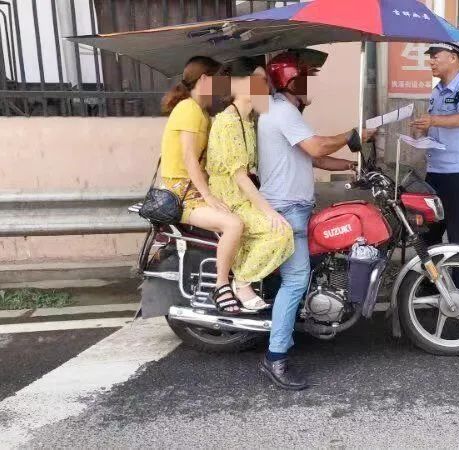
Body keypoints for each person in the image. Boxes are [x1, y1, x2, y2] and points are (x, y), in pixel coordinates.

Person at [256, 49, 376, 391]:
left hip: (294, 206)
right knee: (296, 280)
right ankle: (275, 358)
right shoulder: (282, 111)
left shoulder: (283, 111)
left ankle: (300, 318)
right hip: (287, 209)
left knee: (313, 266)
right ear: (289, 81)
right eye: (304, 78)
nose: (309, 86)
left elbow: (317, 159)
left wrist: (354, 167)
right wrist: (352, 135)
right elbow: (317, 148)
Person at [158, 56, 247, 315]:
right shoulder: (188, 109)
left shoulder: (200, 111)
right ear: (205, 79)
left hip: (193, 190)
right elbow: (189, 158)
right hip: (183, 196)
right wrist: (208, 196)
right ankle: (221, 286)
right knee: (233, 224)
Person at [205, 65, 294, 312]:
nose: (266, 86)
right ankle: (242, 282)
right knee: (280, 232)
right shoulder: (228, 122)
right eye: (259, 80)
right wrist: (269, 212)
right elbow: (241, 177)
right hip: (231, 198)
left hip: (245, 195)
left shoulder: (248, 119)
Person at [410, 42, 459, 252]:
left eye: (435, 56)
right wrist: (420, 130)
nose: (431, 62)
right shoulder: (437, 91)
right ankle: (431, 274)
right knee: (429, 233)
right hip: (435, 171)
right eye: (430, 57)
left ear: (453, 57)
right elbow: (433, 125)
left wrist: (432, 120)